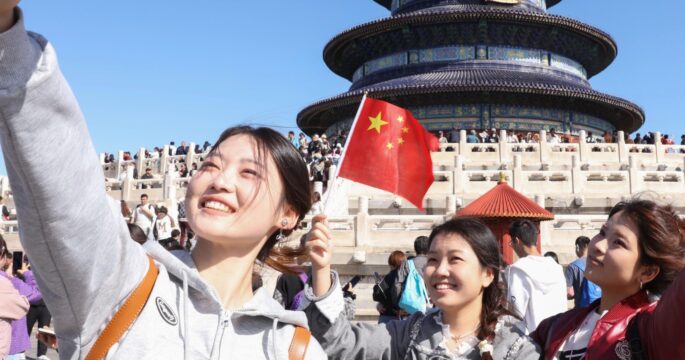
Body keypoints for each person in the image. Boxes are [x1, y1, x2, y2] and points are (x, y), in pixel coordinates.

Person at [0, 6, 325, 359]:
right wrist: (7, 35)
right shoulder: (120, 282)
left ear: (288, 214)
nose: (220, 180)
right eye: (210, 165)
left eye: (249, 172)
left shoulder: (293, 349)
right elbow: (62, 185)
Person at [302, 216, 540, 359]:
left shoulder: (516, 348)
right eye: (433, 259)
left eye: (455, 259)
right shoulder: (410, 333)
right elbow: (339, 344)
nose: (440, 270)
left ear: (488, 275)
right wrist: (321, 268)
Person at [532, 200, 685, 359]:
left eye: (618, 242)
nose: (598, 245)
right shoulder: (554, 327)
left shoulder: (653, 329)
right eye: (603, 232)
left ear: (648, 271)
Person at [507, 219, 567, 333]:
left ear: (516, 240)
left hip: (533, 340)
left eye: (511, 243)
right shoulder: (556, 268)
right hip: (558, 335)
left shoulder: (518, 269)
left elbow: (515, 313)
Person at [565, 236, 601, 309]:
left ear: (577, 247)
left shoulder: (573, 266)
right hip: (598, 308)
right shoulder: (599, 264)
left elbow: (568, 293)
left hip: (581, 310)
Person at [373, 250, 407, 324]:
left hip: (388, 316)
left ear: (391, 264)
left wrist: (377, 286)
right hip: (404, 317)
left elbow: (378, 296)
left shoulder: (389, 277)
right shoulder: (408, 277)